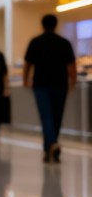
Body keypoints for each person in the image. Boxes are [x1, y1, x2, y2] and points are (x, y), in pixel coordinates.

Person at [23, 14, 76, 163]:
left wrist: (25, 79)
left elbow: (27, 64)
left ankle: (50, 146)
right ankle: (52, 145)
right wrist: (73, 81)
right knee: (57, 117)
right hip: (60, 85)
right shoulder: (64, 43)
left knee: (46, 116)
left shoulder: (35, 42)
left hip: (41, 85)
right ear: (55, 25)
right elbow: (71, 65)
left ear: (42, 25)